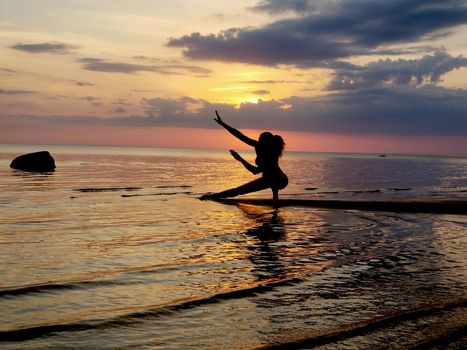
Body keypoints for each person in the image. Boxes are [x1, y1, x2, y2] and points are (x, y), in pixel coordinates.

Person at [201, 110, 288, 201]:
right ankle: (275, 203)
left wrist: (240, 159)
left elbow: (254, 171)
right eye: (258, 139)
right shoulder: (261, 147)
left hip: (279, 180)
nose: (257, 141)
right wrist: (223, 124)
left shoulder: (270, 153)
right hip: (274, 179)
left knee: (239, 190)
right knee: (244, 189)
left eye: (260, 140)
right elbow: (240, 136)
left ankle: (213, 197)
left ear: (266, 142)